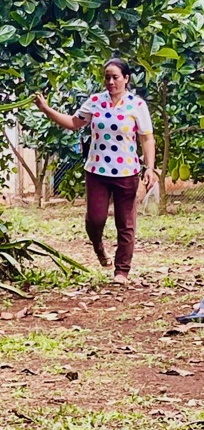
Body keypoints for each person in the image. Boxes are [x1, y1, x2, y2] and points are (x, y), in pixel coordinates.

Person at [33, 58, 157, 284]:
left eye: (115, 77)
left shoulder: (137, 105)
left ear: (126, 79)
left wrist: (150, 168)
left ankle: (122, 271)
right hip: (97, 170)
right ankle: (99, 248)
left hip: (127, 172)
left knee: (125, 223)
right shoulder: (95, 102)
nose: (110, 81)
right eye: (107, 77)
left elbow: (146, 138)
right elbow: (73, 123)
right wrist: (45, 109)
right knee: (95, 219)